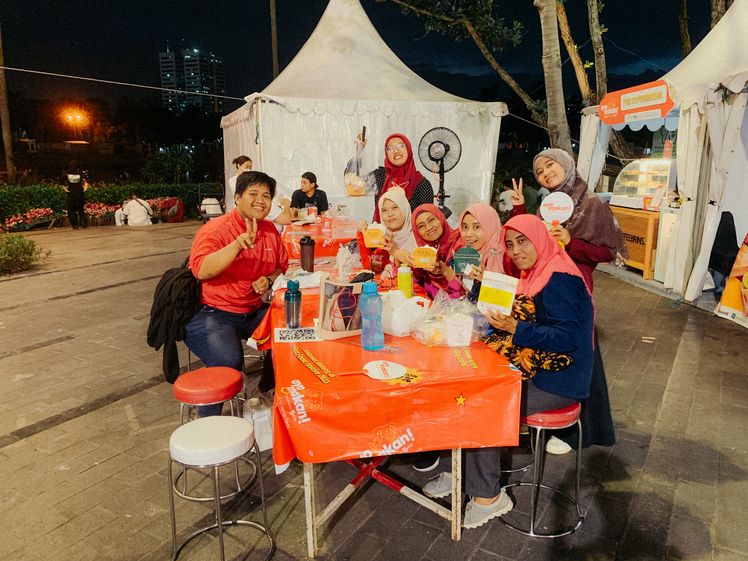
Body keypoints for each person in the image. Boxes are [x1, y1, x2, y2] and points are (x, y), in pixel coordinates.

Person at [422, 214, 594, 529]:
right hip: (531, 361)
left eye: (522, 241)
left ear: (541, 238)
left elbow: (568, 338)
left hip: (558, 378)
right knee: (461, 386)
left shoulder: (560, 278)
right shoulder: (534, 274)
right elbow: (497, 308)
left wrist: (516, 327)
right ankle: (456, 471)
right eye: (510, 244)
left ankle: (489, 497)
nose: (515, 251)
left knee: (482, 402)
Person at [511, 148, 626, 453]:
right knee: (554, 351)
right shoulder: (546, 207)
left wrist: (571, 243)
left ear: (567, 165)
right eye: (540, 171)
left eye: (551, 166)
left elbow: (606, 252)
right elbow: (528, 240)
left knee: (581, 357)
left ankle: (580, 433)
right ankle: (553, 416)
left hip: (573, 286)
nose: (546, 173)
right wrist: (520, 209)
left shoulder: (591, 205)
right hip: (541, 284)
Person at [186, 171, 289, 416]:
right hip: (215, 312)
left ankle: (266, 392)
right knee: (229, 362)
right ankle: (209, 422)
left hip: (252, 310)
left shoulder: (270, 231)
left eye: (266, 195)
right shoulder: (216, 229)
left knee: (288, 336)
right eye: (253, 194)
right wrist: (237, 245)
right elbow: (200, 269)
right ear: (238, 197)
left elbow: (280, 267)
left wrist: (268, 278)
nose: (261, 200)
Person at [350, 132, 434, 222]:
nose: (396, 151)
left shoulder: (421, 183)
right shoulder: (380, 176)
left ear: (408, 149)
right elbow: (352, 183)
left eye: (401, 146)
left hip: (409, 235)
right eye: (390, 148)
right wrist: (358, 153)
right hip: (380, 234)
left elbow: (426, 221)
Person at [449, 203, 506, 302]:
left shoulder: (504, 259)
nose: (469, 234)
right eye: (465, 227)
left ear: (490, 226)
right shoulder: (464, 254)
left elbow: (510, 302)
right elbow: (461, 296)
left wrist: (486, 280)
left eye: (476, 227)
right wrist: (455, 280)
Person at [411, 204, 464, 299]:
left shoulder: (460, 244)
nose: (428, 228)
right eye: (421, 226)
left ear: (440, 218)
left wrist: (444, 271)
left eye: (431, 220)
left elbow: (464, 291)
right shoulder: (423, 253)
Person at [63, 161, 88, 229]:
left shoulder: (66, 173)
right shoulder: (80, 172)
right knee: (80, 209)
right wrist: (85, 188)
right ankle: (83, 223)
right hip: (80, 193)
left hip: (71, 193)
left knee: (72, 209)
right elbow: (86, 179)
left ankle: (75, 224)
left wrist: (65, 189)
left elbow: (61, 181)